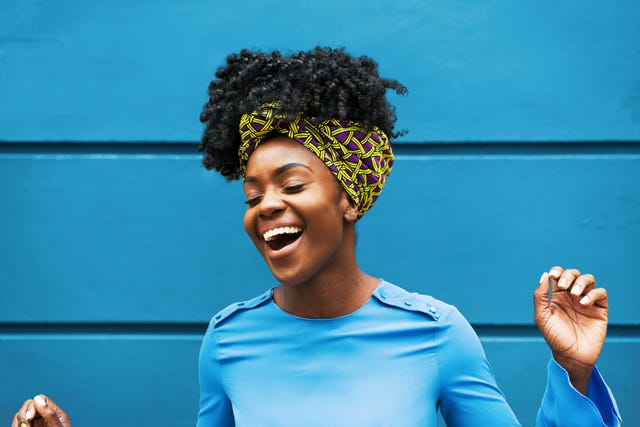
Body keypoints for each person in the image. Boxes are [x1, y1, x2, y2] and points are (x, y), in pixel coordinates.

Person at [12, 47, 621, 427]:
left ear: (350, 197)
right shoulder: (227, 341)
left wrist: (573, 373)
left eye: (291, 184)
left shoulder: (437, 332)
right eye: (252, 195)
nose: (266, 206)